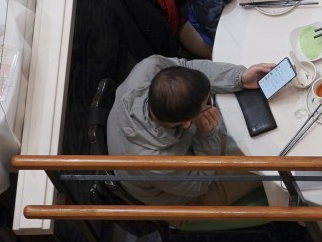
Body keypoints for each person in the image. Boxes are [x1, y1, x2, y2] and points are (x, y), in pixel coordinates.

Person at [106, 55, 277, 204]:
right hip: (183, 196)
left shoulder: (149, 68)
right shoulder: (159, 163)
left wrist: (239, 78)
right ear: (187, 123)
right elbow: (200, 183)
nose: (210, 103)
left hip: (168, 168)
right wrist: (207, 135)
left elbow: (188, 68)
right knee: (271, 167)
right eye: (207, 103)